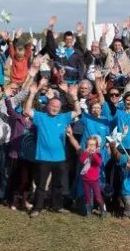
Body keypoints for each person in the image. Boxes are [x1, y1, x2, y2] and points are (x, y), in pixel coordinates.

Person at [28, 88, 82, 217]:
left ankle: (57, 206)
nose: (55, 108)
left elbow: (78, 111)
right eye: (52, 106)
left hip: (59, 158)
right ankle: (37, 208)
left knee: (58, 184)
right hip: (44, 157)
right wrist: (31, 94)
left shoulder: (63, 118)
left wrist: (74, 97)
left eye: (57, 106)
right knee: (41, 184)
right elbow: (26, 110)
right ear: (47, 106)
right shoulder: (41, 117)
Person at [65, 129, 106, 217]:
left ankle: (103, 210)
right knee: (87, 197)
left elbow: (98, 162)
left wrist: (93, 154)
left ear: (96, 146)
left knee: (98, 197)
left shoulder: (98, 155)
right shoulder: (84, 153)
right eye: (89, 145)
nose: (91, 147)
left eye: (93, 145)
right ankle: (88, 212)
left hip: (95, 181)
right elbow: (82, 160)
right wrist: (87, 152)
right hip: (85, 180)